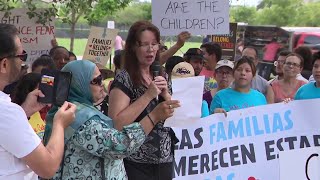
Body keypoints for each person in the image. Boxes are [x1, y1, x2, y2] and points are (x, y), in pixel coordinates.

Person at [43, 60, 179, 179]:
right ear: (79, 84)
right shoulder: (78, 118)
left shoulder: (73, 109)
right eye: (96, 81)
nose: (102, 84)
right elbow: (120, 146)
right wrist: (153, 117)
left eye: (101, 78)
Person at [0, 23, 76, 179]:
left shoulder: (9, 112)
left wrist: (24, 111)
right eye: (21, 56)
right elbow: (48, 168)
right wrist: (60, 124)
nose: (23, 62)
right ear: (4, 64)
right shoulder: (6, 112)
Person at [108, 20, 178, 180]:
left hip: (164, 160)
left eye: (154, 44)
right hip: (135, 163)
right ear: (133, 47)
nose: (150, 49)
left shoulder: (161, 74)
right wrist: (147, 96)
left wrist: (166, 96)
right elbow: (116, 124)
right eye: (144, 44)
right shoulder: (125, 78)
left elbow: (175, 117)